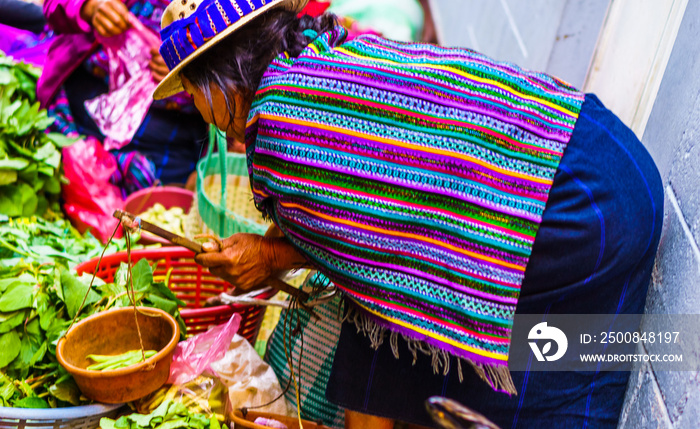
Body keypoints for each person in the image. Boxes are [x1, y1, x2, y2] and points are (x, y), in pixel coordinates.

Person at [152, 0, 664, 427]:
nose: (198, 108)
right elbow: (373, 225)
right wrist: (270, 253)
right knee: (392, 321)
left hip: (575, 208)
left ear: (220, 78)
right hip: (608, 160)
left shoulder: (280, 128)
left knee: (399, 326)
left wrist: (269, 255)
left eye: (193, 94)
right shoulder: (323, 57)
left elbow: (370, 251)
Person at [39, 0, 208, 194]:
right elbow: (53, 5)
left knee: (156, 210)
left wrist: (196, 67)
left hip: (171, 140)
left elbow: (239, 76)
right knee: (62, 188)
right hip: (83, 107)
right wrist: (90, 7)